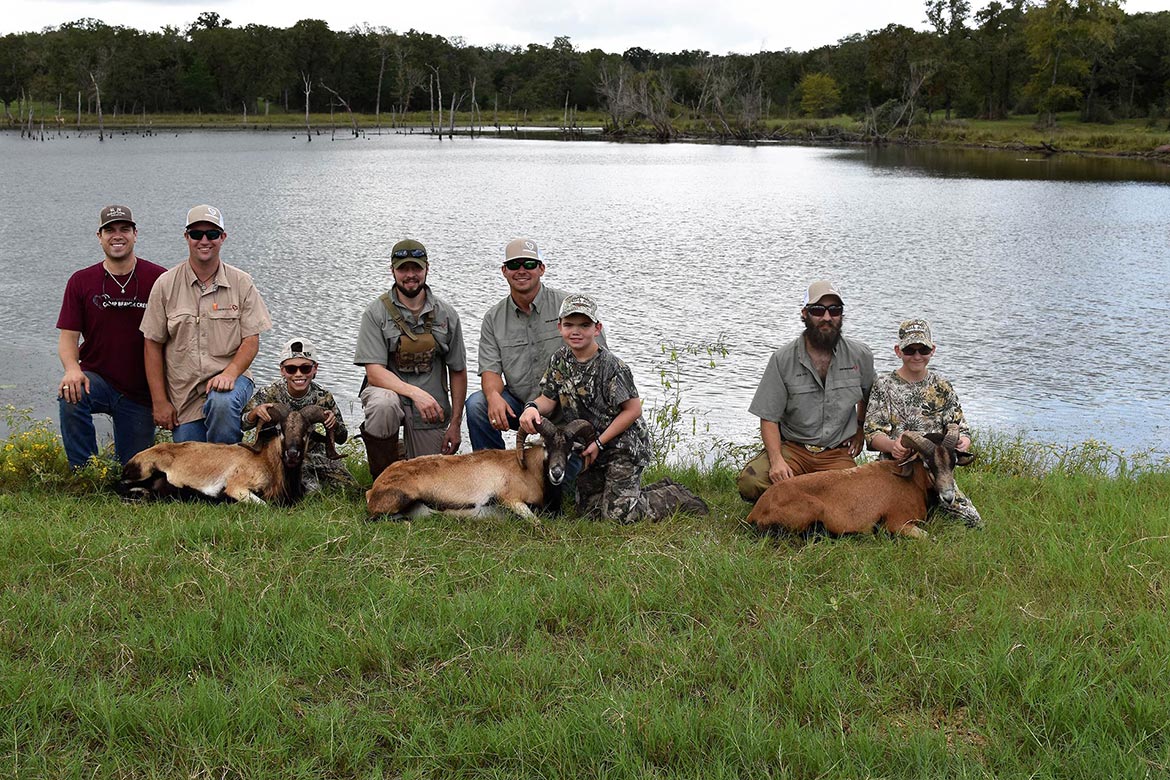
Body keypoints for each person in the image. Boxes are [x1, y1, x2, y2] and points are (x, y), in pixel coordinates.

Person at [519, 294, 706, 523]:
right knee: (587, 513)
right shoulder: (559, 359)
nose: (576, 331)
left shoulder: (613, 366)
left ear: (597, 328)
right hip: (590, 448)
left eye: (584, 325)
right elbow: (548, 399)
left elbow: (633, 410)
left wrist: (599, 442)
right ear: (560, 327)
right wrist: (531, 408)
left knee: (618, 517)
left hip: (622, 446)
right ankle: (647, 490)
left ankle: (674, 495)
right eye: (569, 325)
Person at [140, 205, 272, 444]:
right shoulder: (165, 284)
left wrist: (230, 374)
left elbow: (251, 340)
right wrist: (160, 401)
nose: (204, 240)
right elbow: (152, 345)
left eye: (212, 234)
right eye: (196, 234)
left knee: (222, 403)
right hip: (185, 395)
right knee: (190, 466)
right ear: (186, 237)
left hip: (231, 381)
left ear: (223, 237)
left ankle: (230, 468)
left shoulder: (242, 282)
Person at [737, 280, 876, 502]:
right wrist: (776, 461)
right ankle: (804, 496)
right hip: (794, 451)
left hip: (835, 454)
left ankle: (800, 498)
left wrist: (860, 428)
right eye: (818, 310)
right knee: (750, 483)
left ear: (841, 315)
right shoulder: (782, 359)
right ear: (805, 314)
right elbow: (769, 418)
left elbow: (871, 398)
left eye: (835, 310)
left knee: (858, 497)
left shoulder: (861, 356)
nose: (827, 317)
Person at [467, 237, 605, 451]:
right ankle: (496, 471)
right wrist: (493, 397)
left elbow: (601, 362)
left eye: (529, 264)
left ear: (541, 268)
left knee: (565, 482)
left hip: (567, 407)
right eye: (514, 265)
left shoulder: (568, 307)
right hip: (520, 406)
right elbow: (490, 370)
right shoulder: (493, 318)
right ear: (504, 271)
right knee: (477, 405)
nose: (521, 270)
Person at [56, 205, 167, 468]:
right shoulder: (81, 281)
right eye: (110, 230)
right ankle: (85, 471)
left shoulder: (159, 278)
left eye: (124, 229)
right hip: (97, 381)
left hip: (140, 392)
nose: (117, 235)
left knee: (132, 470)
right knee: (70, 394)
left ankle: (116, 468)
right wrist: (72, 369)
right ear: (100, 236)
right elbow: (68, 338)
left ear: (135, 234)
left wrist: (162, 396)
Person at [354, 238, 467, 479]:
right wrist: (415, 394)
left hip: (431, 410)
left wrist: (455, 424)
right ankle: (383, 480)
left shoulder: (447, 314)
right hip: (389, 396)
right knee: (384, 404)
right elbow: (374, 373)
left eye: (416, 268)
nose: (410, 275)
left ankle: (404, 455)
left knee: (430, 483)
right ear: (392, 270)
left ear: (427, 268)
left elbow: (458, 370)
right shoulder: (376, 313)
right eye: (403, 268)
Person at [864, 318, 983, 528]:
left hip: (937, 469)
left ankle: (936, 505)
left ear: (932, 350)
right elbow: (872, 433)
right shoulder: (884, 385)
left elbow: (959, 425)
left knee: (972, 522)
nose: (917, 356)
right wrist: (893, 446)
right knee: (875, 519)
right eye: (910, 350)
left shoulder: (942, 386)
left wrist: (963, 440)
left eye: (923, 350)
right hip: (897, 469)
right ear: (898, 351)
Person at [241, 337, 356, 493]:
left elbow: (342, 437)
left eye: (305, 368)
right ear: (282, 370)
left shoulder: (323, 397)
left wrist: (333, 424)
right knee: (309, 489)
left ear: (315, 368)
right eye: (291, 369)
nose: (298, 374)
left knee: (349, 488)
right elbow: (242, 424)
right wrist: (254, 413)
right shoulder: (269, 393)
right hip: (279, 453)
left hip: (314, 451)